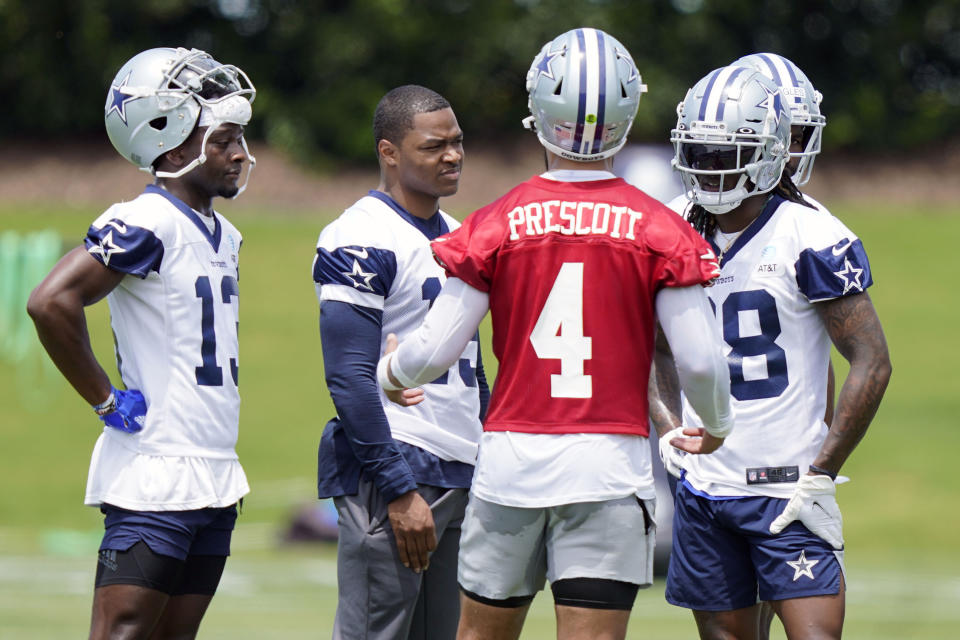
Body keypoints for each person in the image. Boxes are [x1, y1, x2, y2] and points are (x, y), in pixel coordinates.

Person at [377, 28, 735, 640]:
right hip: (609, 468)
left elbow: (435, 351)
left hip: (511, 465)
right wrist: (717, 425)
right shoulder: (657, 227)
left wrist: (392, 373)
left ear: (538, 110)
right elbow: (700, 363)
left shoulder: (498, 222)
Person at [653, 64, 891, 640]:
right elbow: (655, 348)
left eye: (726, 151)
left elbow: (871, 360)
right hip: (706, 486)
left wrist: (821, 473)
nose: (711, 166)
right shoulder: (672, 227)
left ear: (768, 151)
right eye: (701, 151)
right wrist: (667, 428)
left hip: (787, 489)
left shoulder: (810, 234)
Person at [26, 47, 257, 639]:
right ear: (175, 146)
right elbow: (51, 301)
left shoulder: (222, 232)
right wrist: (104, 399)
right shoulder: (148, 221)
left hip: (213, 467)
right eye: (223, 139)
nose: (239, 153)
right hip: (156, 468)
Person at [310, 84, 488, 640]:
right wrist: (398, 488)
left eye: (457, 143)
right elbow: (348, 376)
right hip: (399, 467)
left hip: (459, 465)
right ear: (390, 152)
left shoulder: (464, 237)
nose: (453, 156)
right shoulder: (361, 234)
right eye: (434, 146)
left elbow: (475, 365)